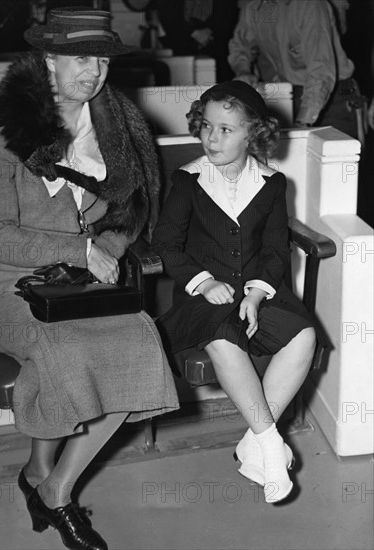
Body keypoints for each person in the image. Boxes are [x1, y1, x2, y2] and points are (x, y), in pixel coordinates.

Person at [0, 8, 179, 550]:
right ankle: (43, 480)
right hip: (8, 285)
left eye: (103, 59)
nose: (94, 72)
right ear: (49, 60)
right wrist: (79, 249)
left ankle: (54, 485)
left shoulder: (117, 124)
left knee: (138, 340)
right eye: (81, 58)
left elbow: (127, 213)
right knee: (64, 349)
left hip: (79, 282)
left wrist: (104, 246)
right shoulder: (2, 128)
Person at [152, 81, 316, 503]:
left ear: (253, 134)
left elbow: (276, 251)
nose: (212, 137)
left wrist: (257, 294)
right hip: (199, 298)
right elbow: (167, 245)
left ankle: (253, 441)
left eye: (226, 129)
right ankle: (270, 448)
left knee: (305, 336)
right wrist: (204, 282)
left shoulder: (272, 184)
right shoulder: (187, 180)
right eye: (207, 126)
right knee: (224, 340)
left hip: (256, 292)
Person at [227, 0, 361, 139]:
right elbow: (241, 46)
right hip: (287, 97)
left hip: (331, 100)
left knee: (335, 157)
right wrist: (243, 71)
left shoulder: (310, 5)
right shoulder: (254, 8)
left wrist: (302, 122)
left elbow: (320, 71)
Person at [155, 0, 240, 81]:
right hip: (182, 46)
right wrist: (193, 32)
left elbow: (230, 12)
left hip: (220, 45)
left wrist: (209, 32)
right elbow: (166, 13)